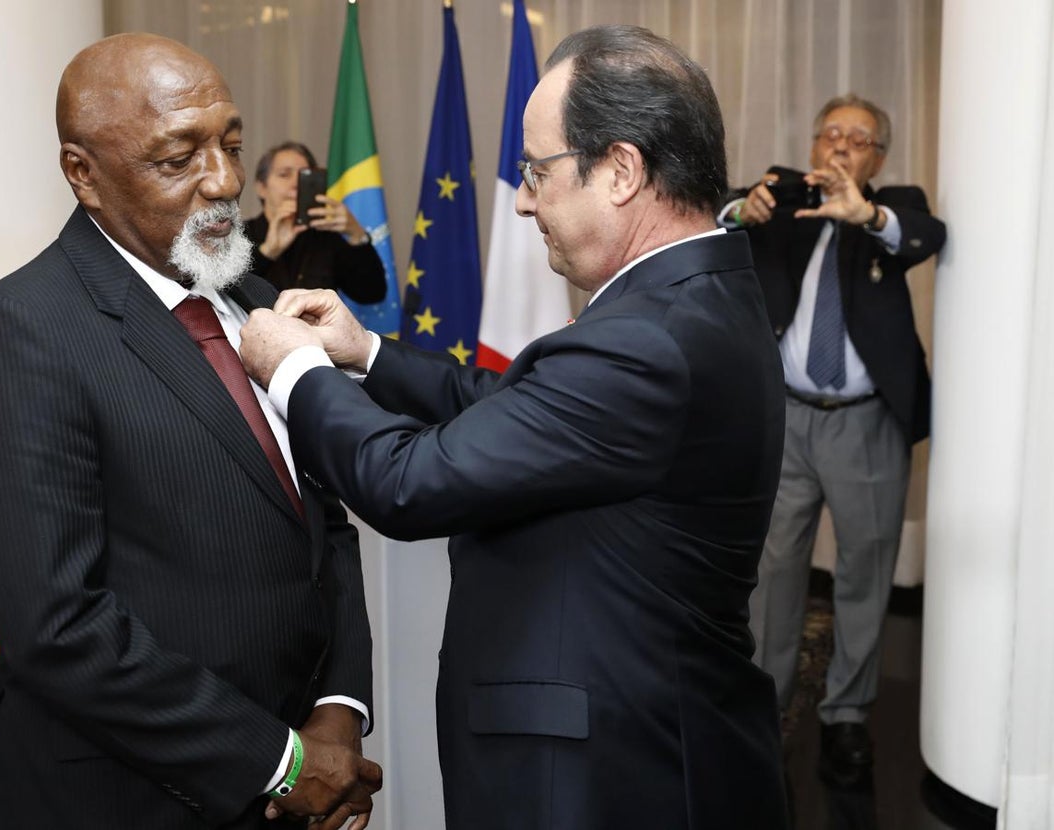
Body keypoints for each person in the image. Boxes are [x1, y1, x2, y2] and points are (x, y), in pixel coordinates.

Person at [240, 25, 788, 830]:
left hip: (604, 771)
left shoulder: (649, 337)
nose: (524, 197)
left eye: (538, 170)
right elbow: (522, 405)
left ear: (622, 170)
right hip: (647, 732)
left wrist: (293, 370)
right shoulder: (694, 294)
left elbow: (407, 483)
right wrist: (365, 352)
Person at [0, 33, 380, 830]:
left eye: (232, 144)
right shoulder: (18, 332)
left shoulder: (253, 295)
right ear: (84, 174)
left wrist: (338, 708)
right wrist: (277, 762)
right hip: (119, 800)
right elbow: (56, 626)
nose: (223, 181)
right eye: (179, 158)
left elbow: (323, 524)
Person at [723, 94, 947, 788]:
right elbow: (716, 212)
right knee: (774, 570)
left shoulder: (891, 205)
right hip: (785, 419)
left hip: (866, 421)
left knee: (863, 572)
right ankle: (768, 703)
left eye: (860, 138)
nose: (843, 147)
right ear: (815, 146)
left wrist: (868, 215)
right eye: (832, 135)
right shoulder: (782, 198)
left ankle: (847, 714)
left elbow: (926, 233)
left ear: (876, 157)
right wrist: (743, 210)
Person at [245, 141, 386, 303]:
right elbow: (226, 294)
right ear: (261, 187)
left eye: (304, 176)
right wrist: (267, 252)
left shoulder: (325, 237)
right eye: (284, 175)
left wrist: (357, 234)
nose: (295, 184)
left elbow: (372, 294)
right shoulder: (240, 234)